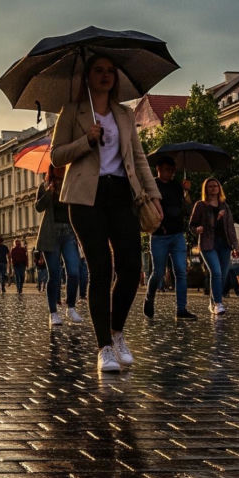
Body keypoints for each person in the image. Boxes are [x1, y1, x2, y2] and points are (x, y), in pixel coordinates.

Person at [50, 54, 162, 374]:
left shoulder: (125, 114)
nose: (105, 75)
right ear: (87, 76)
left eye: (110, 71)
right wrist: (86, 139)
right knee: (101, 269)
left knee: (129, 267)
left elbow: (139, 159)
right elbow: (57, 156)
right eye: (98, 70)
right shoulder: (72, 112)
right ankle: (103, 348)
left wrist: (153, 195)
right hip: (85, 197)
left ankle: (117, 333)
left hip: (121, 194)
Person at [144, 156, 197, 320]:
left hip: (177, 235)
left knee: (181, 272)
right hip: (159, 235)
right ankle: (149, 297)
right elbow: (147, 207)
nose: (170, 172)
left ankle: (181, 309)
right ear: (158, 169)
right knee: (158, 272)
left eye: (172, 170)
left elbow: (188, 209)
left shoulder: (177, 186)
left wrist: (186, 192)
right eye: (166, 169)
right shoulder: (152, 185)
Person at [35, 165, 84, 327]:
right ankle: (53, 313)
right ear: (52, 169)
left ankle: (70, 307)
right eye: (58, 167)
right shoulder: (44, 185)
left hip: (69, 233)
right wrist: (49, 192)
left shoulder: (70, 183)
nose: (62, 169)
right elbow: (38, 207)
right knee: (54, 274)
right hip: (51, 234)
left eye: (64, 167)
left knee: (74, 271)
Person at [189, 177, 239, 315]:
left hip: (225, 244)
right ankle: (218, 303)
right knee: (216, 272)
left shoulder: (225, 205)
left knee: (222, 275)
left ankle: (213, 302)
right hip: (208, 243)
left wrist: (235, 245)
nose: (213, 188)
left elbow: (230, 227)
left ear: (219, 188)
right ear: (206, 189)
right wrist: (197, 229)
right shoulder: (201, 205)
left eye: (215, 186)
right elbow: (192, 225)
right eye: (210, 186)